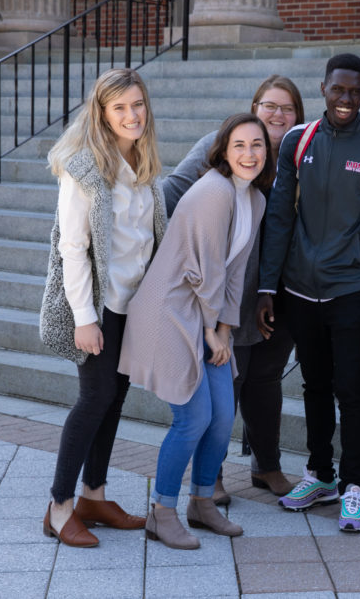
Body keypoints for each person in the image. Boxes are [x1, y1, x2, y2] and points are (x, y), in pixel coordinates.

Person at [257, 53, 360, 533]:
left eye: (355, 91)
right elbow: (279, 216)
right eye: (337, 90)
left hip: (351, 290)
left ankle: (354, 485)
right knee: (315, 386)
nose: (345, 99)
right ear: (323, 88)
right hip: (300, 290)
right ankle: (319, 474)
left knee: (351, 389)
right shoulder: (298, 143)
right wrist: (266, 286)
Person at [118, 113, 273, 549]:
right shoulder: (215, 192)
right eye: (239, 145)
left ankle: (201, 503)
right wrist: (212, 332)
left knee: (223, 415)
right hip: (171, 308)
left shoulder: (254, 200)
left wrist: (224, 327)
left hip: (206, 313)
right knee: (193, 417)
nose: (249, 154)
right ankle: (160, 512)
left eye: (257, 145)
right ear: (223, 151)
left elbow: (235, 271)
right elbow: (202, 269)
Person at [161, 75, 304, 502]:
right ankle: (213, 474)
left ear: (298, 116)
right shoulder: (224, 145)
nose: (277, 115)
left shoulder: (301, 154)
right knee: (226, 386)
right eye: (269, 106)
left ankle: (267, 466)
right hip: (221, 296)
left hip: (277, 294)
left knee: (266, 380)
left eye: (287, 108)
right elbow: (170, 193)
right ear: (254, 108)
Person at [39, 68, 166, 548]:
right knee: (94, 399)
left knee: (114, 399)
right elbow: (72, 248)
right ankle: (59, 507)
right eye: (120, 108)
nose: (132, 115)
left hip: (134, 304)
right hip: (98, 305)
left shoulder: (144, 162)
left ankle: (94, 495)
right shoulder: (83, 167)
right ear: (102, 113)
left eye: (137, 105)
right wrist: (85, 319)